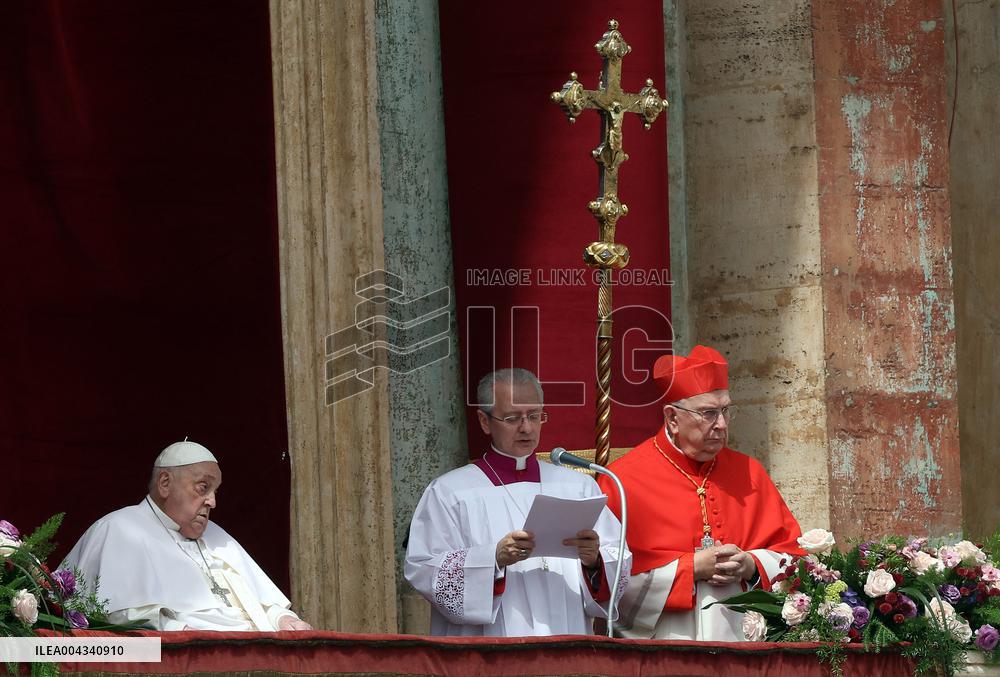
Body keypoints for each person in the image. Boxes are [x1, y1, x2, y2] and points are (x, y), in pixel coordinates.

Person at [405, 368, 631, 636]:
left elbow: (620, 559)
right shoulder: (449, 492)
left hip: (566, 637)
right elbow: (423, 569)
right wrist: (493, 558)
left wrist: (594, 561)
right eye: (512, 418)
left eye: (534, 416)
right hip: (492, 649)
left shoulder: (578, 487)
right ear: (484, 421)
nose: (526, 428)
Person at [598, 345, 803, 640]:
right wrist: (689, 569)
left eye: (725, 410)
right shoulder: (622, 480)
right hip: (666, 645)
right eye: (708, 413)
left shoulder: (750, 471)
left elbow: (794, 557)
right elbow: (607, 584)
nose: (721, 424)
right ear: (672, 418)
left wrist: (751, 565)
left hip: (746, 642)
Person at [63, 441, 313, 632]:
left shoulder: (217, 535)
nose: (213, 502)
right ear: (165, 483)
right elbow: (116, 612)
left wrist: (283, 618)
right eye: (203, 487)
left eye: (216, 491)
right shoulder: (118, 529)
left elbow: (260, 602)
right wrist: (180, 632)